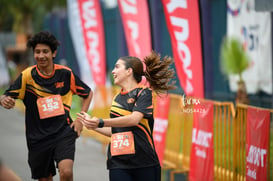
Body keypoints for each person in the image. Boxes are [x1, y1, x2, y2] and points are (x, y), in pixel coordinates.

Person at [0, 31, 93, 181]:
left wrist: (80, 120)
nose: (41, 56)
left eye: (45, 51)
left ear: (53, 53)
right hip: (37, 138)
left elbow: (87, 93)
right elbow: (6, 95)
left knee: (66, 172)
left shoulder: (65, 74)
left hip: (63, 132)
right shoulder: (27, 76)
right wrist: (3, 99)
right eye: (37, 52)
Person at [77, 51, 176, 181]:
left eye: (117, 67)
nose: (113, 71)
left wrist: (101, 122)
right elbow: (116, 131)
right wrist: (92, 126)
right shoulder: (117, 97)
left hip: (144, 161)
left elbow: (134, 119)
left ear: (129, 71)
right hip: (118, 163)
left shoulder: (144, 93)